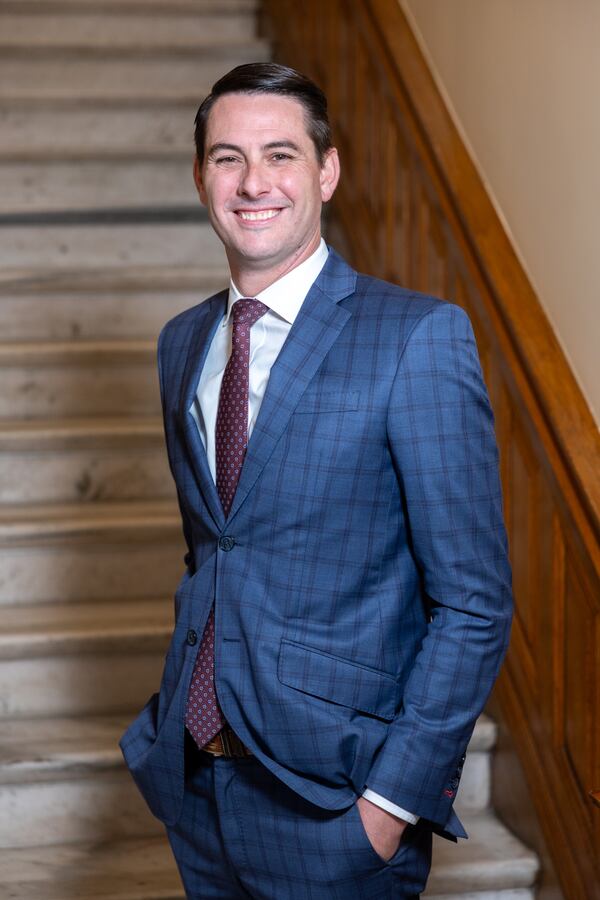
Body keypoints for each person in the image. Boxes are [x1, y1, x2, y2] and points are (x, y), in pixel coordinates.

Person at [120, 62, 513, 899]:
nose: (253, 182)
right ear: (200, 178)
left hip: (336, 806)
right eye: (227, 158)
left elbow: (474, 604)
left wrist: (390, 805)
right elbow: (216, 549)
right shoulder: (182, 342)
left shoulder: (416, 337)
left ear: (327, 172)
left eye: (281, 155)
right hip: (196, 785)